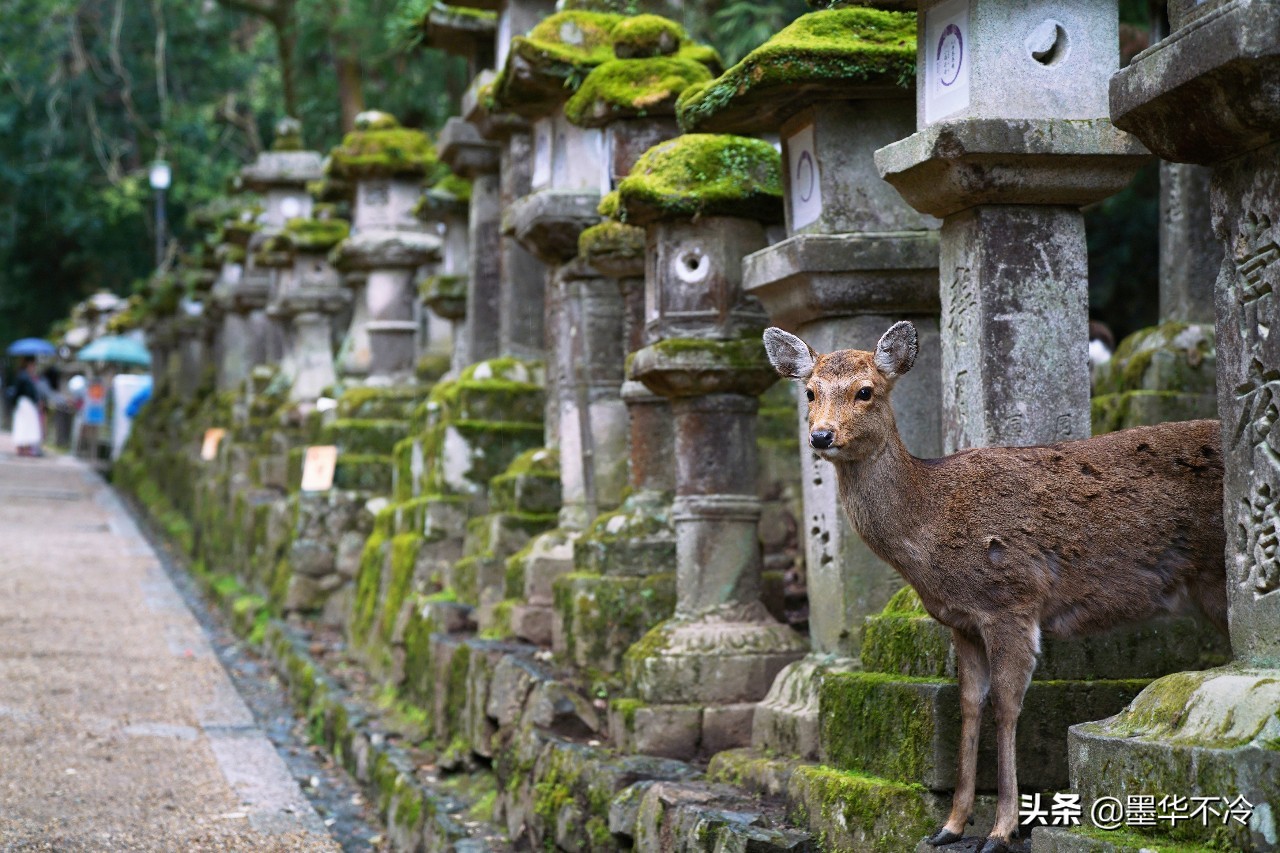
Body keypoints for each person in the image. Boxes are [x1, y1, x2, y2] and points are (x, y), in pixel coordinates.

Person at [10, 357, 43, 457]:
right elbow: (29, 392)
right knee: (27, 425)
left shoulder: (24, 376)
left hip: (24, 403)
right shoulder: (25, 377)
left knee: (24, 425)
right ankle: (25, 447)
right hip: (26, 403)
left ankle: (24, 447)